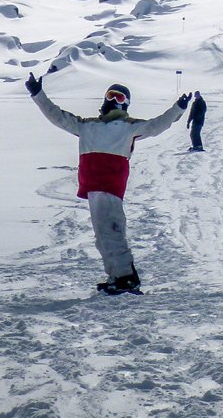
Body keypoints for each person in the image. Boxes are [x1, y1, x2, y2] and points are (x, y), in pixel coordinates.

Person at [25, 73, 190, 294]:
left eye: (121, 99)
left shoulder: (128, 127)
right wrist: (38, 94)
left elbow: (156, 125)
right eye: (113, 95)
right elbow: (57, 117)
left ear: (127, 105)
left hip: (110, 187)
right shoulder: (87, 126)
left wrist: (177, 109)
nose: (116, 102)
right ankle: (117, 275)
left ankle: (126, 277)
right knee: (103, 236)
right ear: (105, 99)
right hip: (94, 187)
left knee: (111, 233)